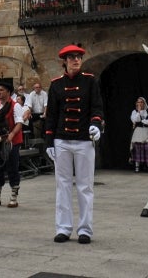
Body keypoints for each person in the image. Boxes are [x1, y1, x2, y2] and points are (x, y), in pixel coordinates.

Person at [45, 44, 103, 244]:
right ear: (65, 61)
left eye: (78, 57)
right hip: (61, 140)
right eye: (72, 57)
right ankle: (63, 228)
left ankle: (85, 229)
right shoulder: (56, 85)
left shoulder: (90, 81)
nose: (76, 60)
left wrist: (96, 125)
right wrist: (49, 141)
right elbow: (51, 115)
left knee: (85, 187)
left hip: (83, 141)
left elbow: (97, 108)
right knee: (62, 186)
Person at [0, 82, 24, 208]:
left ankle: (13, 197)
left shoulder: (15, 105)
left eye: (1, 90)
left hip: (12, 142)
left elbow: (19, 123)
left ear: (8, 92)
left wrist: (11, 135)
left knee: (12, 168)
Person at [130, 97, 148, 172]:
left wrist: (143, 121)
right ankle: (137, 167)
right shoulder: (134, 112)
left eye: (141, 102)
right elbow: (135, 120)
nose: (140, 103)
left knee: (147, 148)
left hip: (147, 132)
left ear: (144, 103)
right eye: (138, 102)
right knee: (137, 148)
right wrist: (139, 112)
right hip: (138, 132)